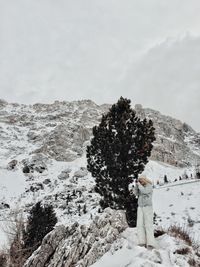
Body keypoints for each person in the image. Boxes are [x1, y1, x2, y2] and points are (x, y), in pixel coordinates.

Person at [134, 175, 156, 249]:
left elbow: (145, 191)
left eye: (141, 180)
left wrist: (139, 185)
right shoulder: (140, 186)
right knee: (139, 224)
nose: (140, 181)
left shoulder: (149, 185)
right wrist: (136, 186)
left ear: (144, 179)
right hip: (140, 207)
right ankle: (142, 242)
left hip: (147, 207)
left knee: (148, 224)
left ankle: (151, 243)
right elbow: (136, 194)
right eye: (139, 180)